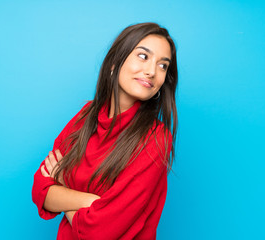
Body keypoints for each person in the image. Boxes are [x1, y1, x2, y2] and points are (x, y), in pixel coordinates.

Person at [32, 22, 178, 240]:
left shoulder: (155, 138)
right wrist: (90, 202)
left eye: (163, 65)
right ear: (114, 63)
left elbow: (99, 232)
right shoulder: (86, 115)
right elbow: (40, 187)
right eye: (143, 56)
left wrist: (63, 183)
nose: (151, 71)